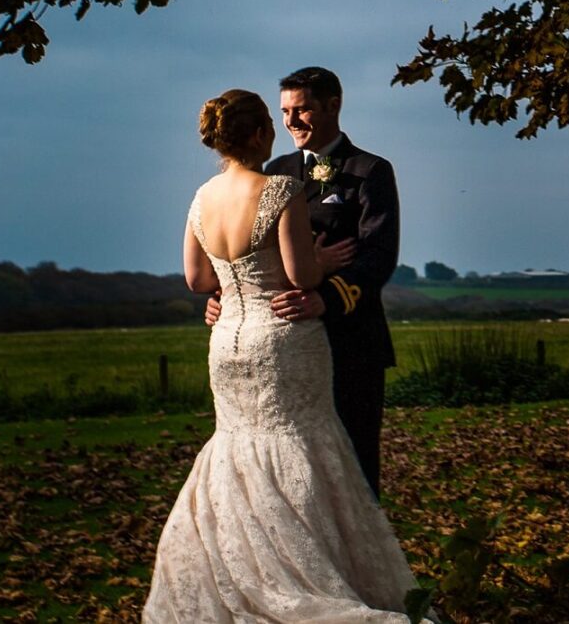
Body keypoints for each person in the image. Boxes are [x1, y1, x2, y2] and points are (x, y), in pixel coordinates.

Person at [145, 89, 421, 622]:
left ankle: (239, 571)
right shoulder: (280, 188)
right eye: (273, 119)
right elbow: (301, 278)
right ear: (257, 134)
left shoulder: (202, 196)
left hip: (227, 342)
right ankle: (310, 574)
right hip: (282, 338)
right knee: (302, 446)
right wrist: (316, 258)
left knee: (237, 450)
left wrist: (231, 293)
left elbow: (198, 279)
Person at [205, 65, 399, 497]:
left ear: (333, 106)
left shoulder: (370, 171)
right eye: (285, 112)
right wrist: (227, 295)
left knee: (353, 469)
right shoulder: (275, 170)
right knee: (291, 472)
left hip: (349, 343)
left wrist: (327, 297)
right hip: (283, 348)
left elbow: (378, 258)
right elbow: (249, 247)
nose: (292, 121)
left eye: (303, 110)